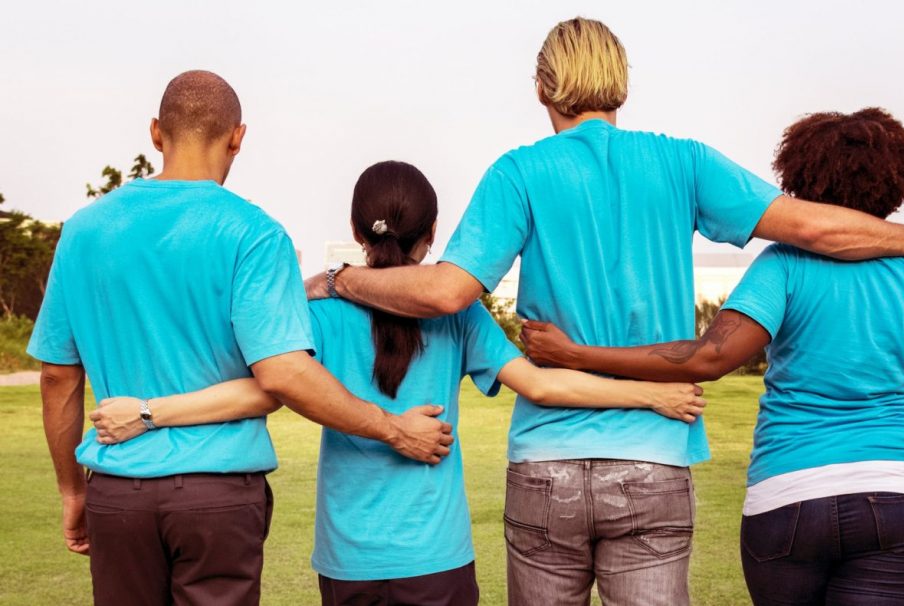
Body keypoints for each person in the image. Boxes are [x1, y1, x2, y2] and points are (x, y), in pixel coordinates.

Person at [303, 19, 904, 605]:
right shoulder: (683, 162)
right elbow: (818, 230)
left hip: (546, 465)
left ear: (542, 89)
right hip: (652, 458)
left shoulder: (519, 172)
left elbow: (446, 291)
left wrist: (342, 279)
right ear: (621, 83)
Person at [89, 160, 709, 606]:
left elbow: (266, 387)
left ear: (358, 232)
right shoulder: (458, 313)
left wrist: (150, 410)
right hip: (435, 559)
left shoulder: (320, 311)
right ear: (433, 236)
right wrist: (652, 393)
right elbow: (544, 388)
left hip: (348, 560)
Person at [27, 71, 451, 606]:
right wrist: (393, 429)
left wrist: (72, 490)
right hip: (219, 494)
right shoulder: (255, 234)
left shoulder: (84, 230)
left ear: (156, 133)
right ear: (237, 137)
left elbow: (56, 377)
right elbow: (283, 375)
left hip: (117, 489)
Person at [522, 108, 904, 606]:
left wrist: (576, 353)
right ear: (899, 180)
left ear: (800, 174)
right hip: (898, 498)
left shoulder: (783, 265)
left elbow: (706, 358)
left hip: (787, 499)